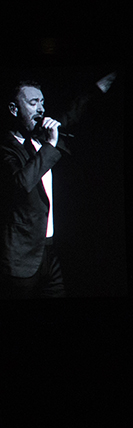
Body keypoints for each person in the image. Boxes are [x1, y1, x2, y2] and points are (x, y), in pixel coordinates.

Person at [1, 81, 66, 298]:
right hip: (22, 260)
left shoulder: (39, 139)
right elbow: (22, 183)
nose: (41, 109)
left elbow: (73, 113)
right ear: (14, 109)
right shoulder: (5, 148)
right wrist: (50, 145)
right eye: (33, 102)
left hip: (49, 253)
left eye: (43, 102)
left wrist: (99, 87)